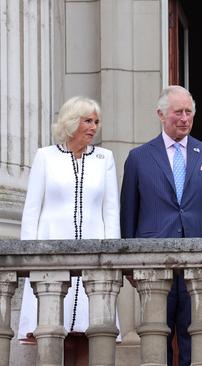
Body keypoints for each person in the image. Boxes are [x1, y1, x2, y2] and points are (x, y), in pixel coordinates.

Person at [120, 85, 202, 366]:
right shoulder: (139, 158)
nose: (184, 118)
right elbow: (128, 216)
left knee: (197, 337)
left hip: (199, 263)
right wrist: (128, 265)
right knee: (157, 340)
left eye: (189, 112)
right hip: (154, 264)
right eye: (178, 112)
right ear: (161, 114)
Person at [19, 96, 120, 364]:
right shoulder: (45, 157)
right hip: (51, 257)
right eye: (87, 120)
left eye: (96, 121)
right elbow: (32, 212)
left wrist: (114, 259)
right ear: (71, 122)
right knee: (53, 332)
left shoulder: (104, 158)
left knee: (91, 332)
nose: (93, 127)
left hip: (93, 259)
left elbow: (111, 213)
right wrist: (27, 260)